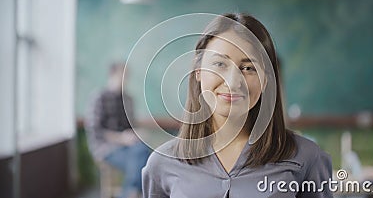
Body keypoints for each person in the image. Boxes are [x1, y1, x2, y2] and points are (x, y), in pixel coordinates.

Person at [142, 13, 333, 198]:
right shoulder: (162, 163)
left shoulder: (307, 158)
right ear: (198, 71)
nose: (233, 81)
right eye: (219, 64)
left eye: (248, 68)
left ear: (266, 80)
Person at [86, 62, 150, 198]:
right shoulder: (99, 97)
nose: (125, 80)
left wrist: (136, 134)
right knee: (141, 162)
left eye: (127, 76)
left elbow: (131, 127)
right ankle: (132, 193)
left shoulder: (128, 99)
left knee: (143, 151)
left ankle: (129, 193)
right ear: (112, 75)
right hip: (106, 148)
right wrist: (121, 138)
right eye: (123, 75)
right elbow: (95, 130)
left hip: (129, 147)